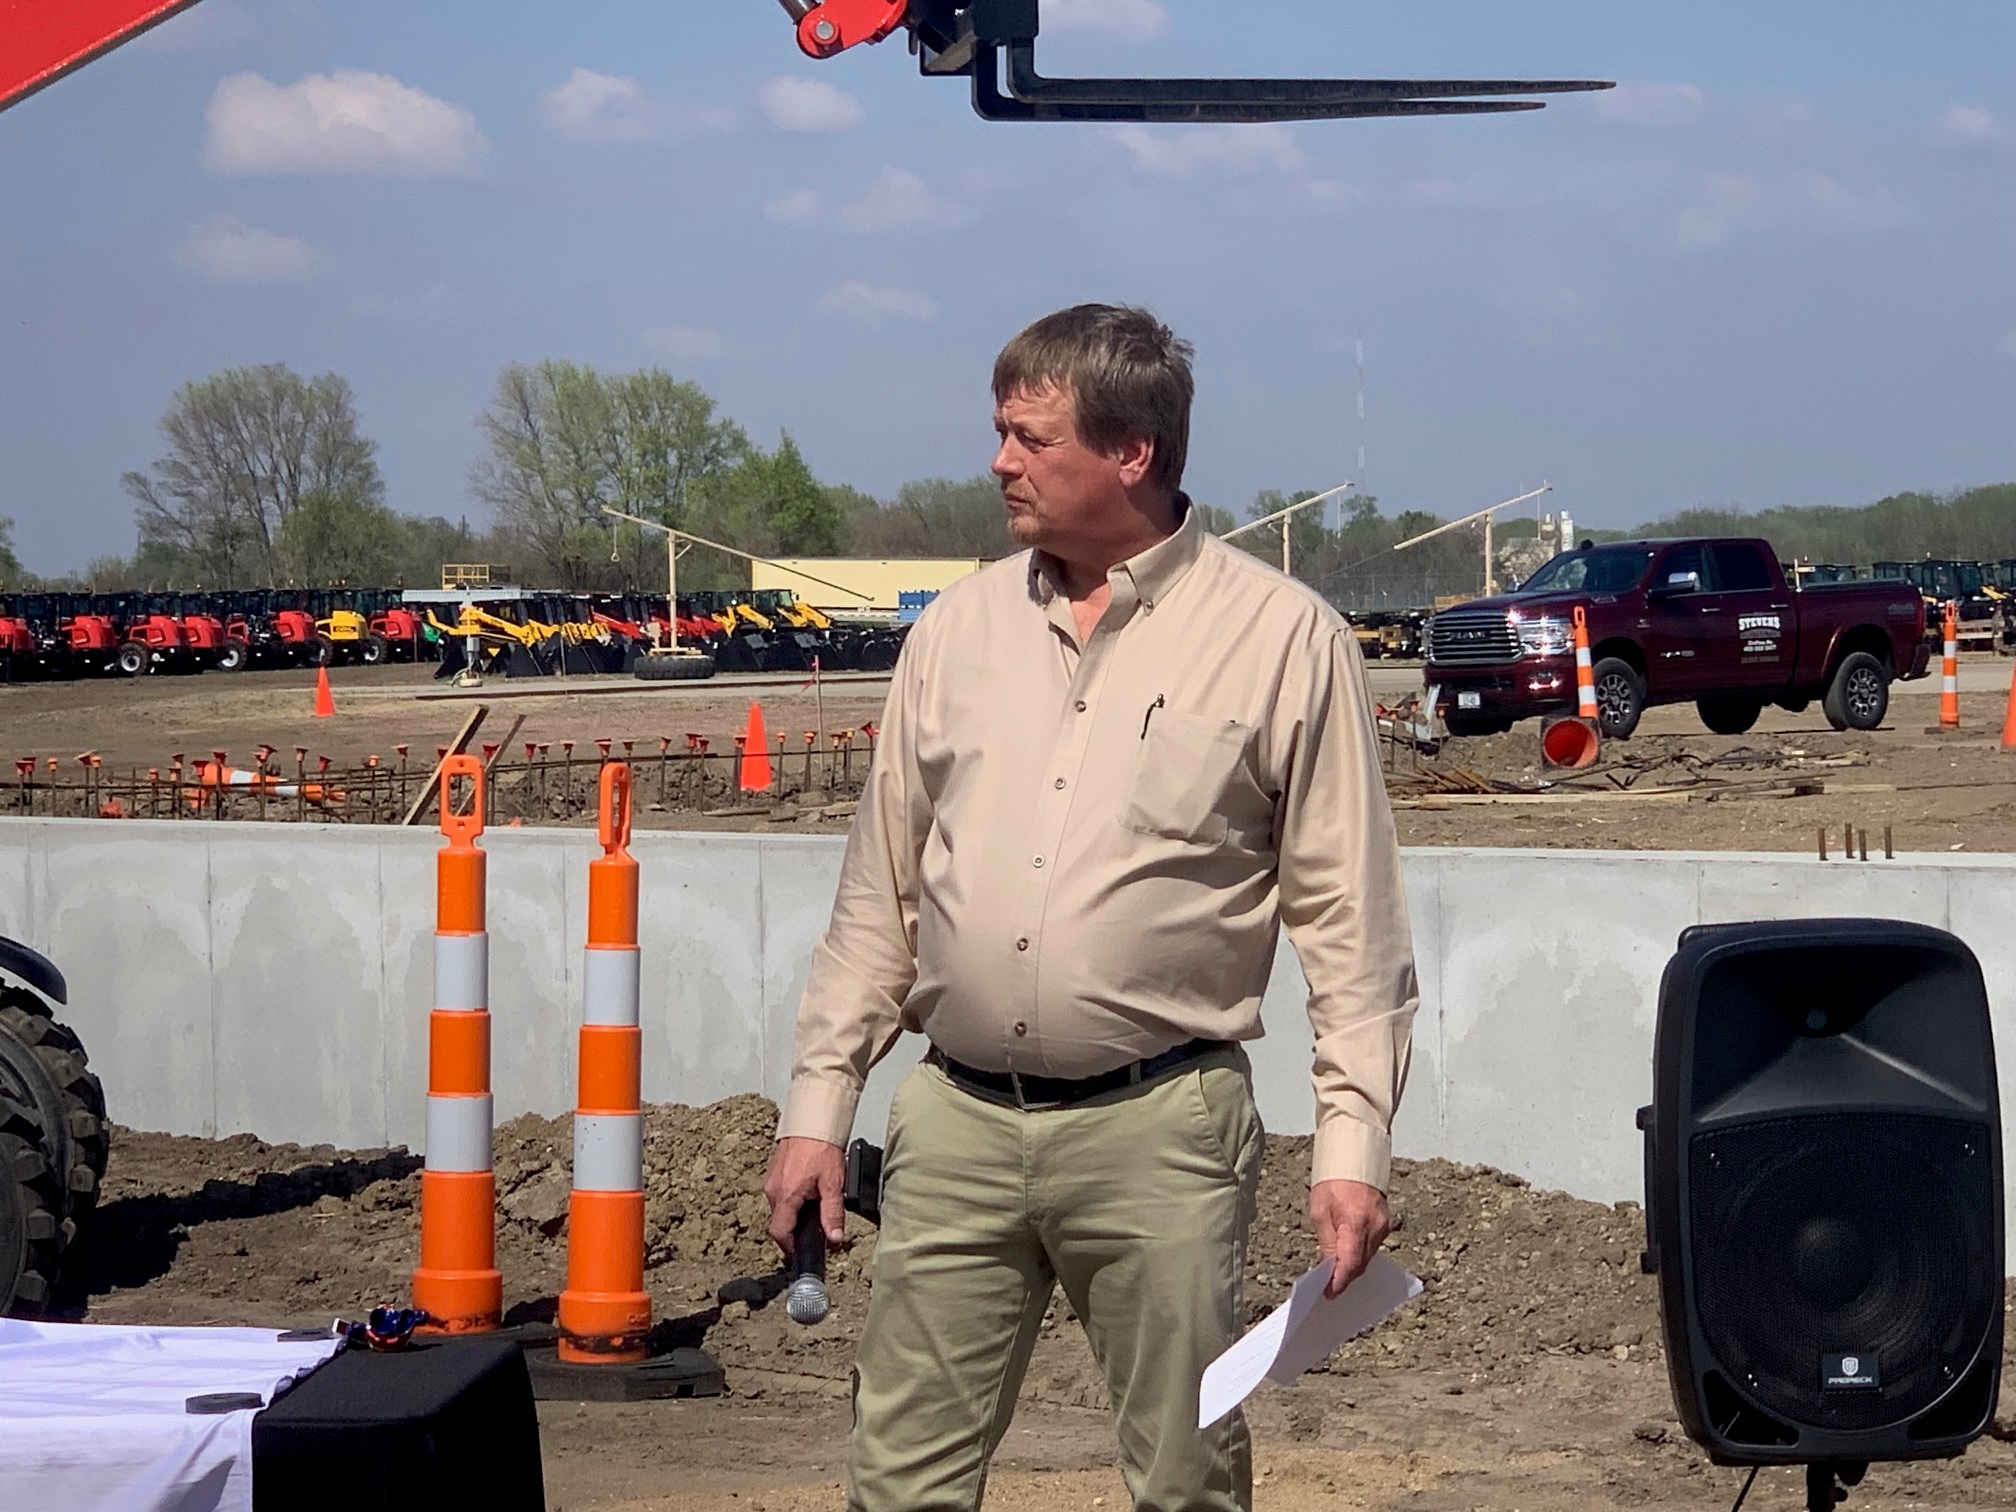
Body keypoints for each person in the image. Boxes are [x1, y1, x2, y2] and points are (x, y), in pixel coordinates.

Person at [762, 303, 1418, 1512]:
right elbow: (878, 900)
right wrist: (819, 1108)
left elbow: (1352, 930)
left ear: (1133, 454)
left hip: (1160, 1130)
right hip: (953, 1127)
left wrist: (1352, 1148)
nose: (999, 461)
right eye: (999, 432)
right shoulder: (953, 636)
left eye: (1029, 437)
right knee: (899, 1479)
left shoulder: (1282, 640)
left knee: (1183, 1479)